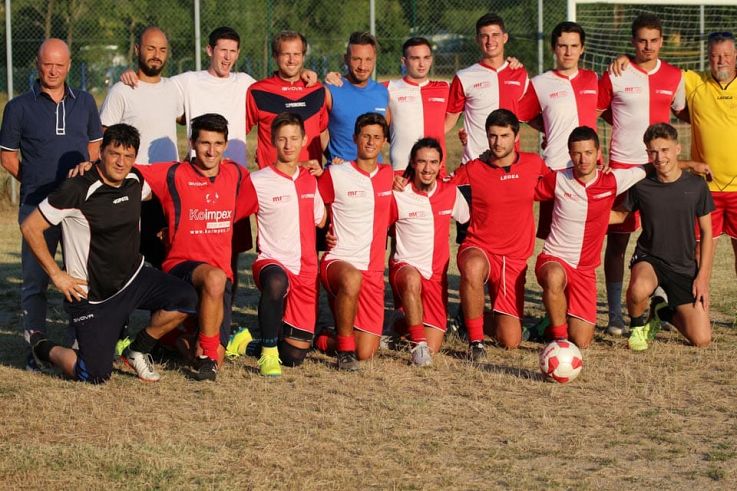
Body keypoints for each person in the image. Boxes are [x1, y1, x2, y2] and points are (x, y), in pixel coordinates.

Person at [20, 124, 197, 384]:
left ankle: (137, 350)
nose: (121, 162)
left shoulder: (135, 179)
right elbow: (30, 227)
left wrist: (162, 228)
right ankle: (42, 345)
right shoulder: (77, 188)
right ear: (101, 152)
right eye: (114, 153)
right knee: (93, 374)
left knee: (186, 298)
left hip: (133, 279)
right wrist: (57, 275)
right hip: (93, 296)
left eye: (128, 156)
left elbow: (151, 198)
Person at [0, 38, 102, 369]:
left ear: (69, 65)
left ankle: (79, 343)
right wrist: (34, 181)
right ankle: (37, 347)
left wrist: (77, 186)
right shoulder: (18, 107)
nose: (53, 71)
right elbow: (8, 157)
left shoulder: (85, 101)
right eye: (47, 64)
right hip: (36, 206)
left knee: (79, 277)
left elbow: (94, 150)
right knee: (35, 282)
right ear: (37, 65)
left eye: (60, 65)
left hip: (77, 208)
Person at [134, 113, 255, 381]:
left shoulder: (237, 174)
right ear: (191, 143)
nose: (211, 151)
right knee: (214, 279)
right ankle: (205, 356)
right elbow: (127, 168)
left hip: (219, 278)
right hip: (181, 267)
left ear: (226, 144)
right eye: (204, 143)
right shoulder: (173, 173)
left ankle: (175, 339)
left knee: (214, 356)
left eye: (218, 143)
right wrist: (89, 166)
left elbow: (261, 199)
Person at [596, 13, 685, 336]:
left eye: (654, 40)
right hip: (623, 168)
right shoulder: (616, 73)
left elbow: (686, 112)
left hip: (660, 169)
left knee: (662, 241)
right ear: (633, 42)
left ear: (661, 41)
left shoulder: (675, 76)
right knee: (617, 242)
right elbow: (596, 112)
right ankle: (615, 315)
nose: (648, 46)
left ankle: (661, 308)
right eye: (642, 40)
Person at [232, 113, 326, 376]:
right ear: (273, 141)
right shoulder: (258, 181)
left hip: (306, 271)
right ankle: (268, 354)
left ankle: (245, 343)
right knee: (275, 282)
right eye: (282, 139)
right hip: (272, 262)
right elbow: (232, 215)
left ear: (304, 140)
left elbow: (321, 219)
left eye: (294, 138)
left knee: (294, 356)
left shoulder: (309, 179)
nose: (288, 145)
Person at [534, 126, 645, 348]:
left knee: (583, 341)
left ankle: (549, 322)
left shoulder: (612, 180)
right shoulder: (557, 179)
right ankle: (559, 341)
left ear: (598, 153)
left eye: (588, 153)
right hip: (555, 259)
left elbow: (650, 168)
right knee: (554, 277)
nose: (583, 159)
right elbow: (519, 189)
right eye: (577, 153)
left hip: (585, 271)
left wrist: (691, 165)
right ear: (569, 154)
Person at [452, 109, 548, 361]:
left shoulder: (534, 164)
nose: (497, 142)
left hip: (513, 260)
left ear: (516, 136)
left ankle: (466, 317)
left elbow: (563, 185)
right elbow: (438, 189)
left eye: (504, 136)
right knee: (472, 267)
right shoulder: (472, 169)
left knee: (510, 341)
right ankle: (475, 342)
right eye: (492, 136)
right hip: (479, 247)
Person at [617, 123, 713, 351]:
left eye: (665, 150)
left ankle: (662, 311)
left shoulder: (696, 185)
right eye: (653, 152)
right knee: (639, 288)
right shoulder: (641, 185)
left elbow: (707, 232)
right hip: (650, 258)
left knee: (701, 339)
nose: (659, 158)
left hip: (683, 266)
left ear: (678, 149)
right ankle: (637, 328)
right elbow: (619, 216)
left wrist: (702, 278)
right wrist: (585, 208)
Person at [100, 26, 183, 270]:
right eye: (150, 48)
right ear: (137, 50)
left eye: (162, 50)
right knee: (131, 257)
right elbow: (102, 138)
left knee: (168, 256)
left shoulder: (173, 88)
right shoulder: (121, 91)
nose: (157, 55)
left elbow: (186, 117)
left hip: (168, 187)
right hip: (134, 187)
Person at [316, 113, 393, 370]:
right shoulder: (336, 173)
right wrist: (322, 237)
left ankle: (323, 339)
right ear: (355, 138)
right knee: (351, 278)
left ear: (384, 141)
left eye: (377, 137)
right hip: (338, 261)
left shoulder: (390, 176)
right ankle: (344, 352)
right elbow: (310, 208)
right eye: (365, 136)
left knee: (366, 351)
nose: (371, 142)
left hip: (372, 270)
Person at [389, 138, 469, 365]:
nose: (427, 168)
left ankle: (399, 325)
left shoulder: (450, 192)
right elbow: (376, 228)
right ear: (412, 163)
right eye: (422, 162)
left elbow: (469, 223)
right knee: (411, 279)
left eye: (433, 162)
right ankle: (418, 346)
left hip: (435, 276)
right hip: (405, 267)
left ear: (440, 164)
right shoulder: (399, 193)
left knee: (435, 345)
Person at [682, 32, 737, 280]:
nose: (721, 61)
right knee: (699, 256)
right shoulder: (694, 82)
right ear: (708, 57)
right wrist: (627, 58)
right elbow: (656, 68)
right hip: (705, 189)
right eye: (715, 56)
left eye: (726, 55)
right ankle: (699, 304)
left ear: (735, 55)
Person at [445, 13, 529, 164]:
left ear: (505, 38)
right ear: (477, 39)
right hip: (475, 162)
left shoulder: (520, 74)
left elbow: (532, 115)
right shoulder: (464, 77)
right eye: (484, 36)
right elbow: (448, 122)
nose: (490, 41)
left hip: (510, 163)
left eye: (495, 35)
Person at [246, 31, 328, 169]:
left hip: (309, 177)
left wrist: (336, 164)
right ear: (275, 56)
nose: (291, 60)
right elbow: (239, 131)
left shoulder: (317, 90)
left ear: (303, 56)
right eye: (286, 54)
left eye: (296, 54)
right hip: (272, 177)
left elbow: (323, 133)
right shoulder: (258, 91)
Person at [384, 38, 450, 175]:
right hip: (402, 170)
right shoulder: (388, 88)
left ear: (431, 59)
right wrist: (338, 79)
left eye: (426, 58)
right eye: (415, 58)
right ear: (404, 61)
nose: (421, 64)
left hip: (435, 169)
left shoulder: (445, 88)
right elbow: (358, 88)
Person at [324, 32, 389, 164]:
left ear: (375, 59)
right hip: (341, 171)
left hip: (373, 172)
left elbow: (385, 132)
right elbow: (318, 132)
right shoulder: (331, 89)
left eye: (368, 59)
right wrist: (331, 158)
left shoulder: (382, 92)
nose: (362, 66)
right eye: (356, 59)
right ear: (346, 59)